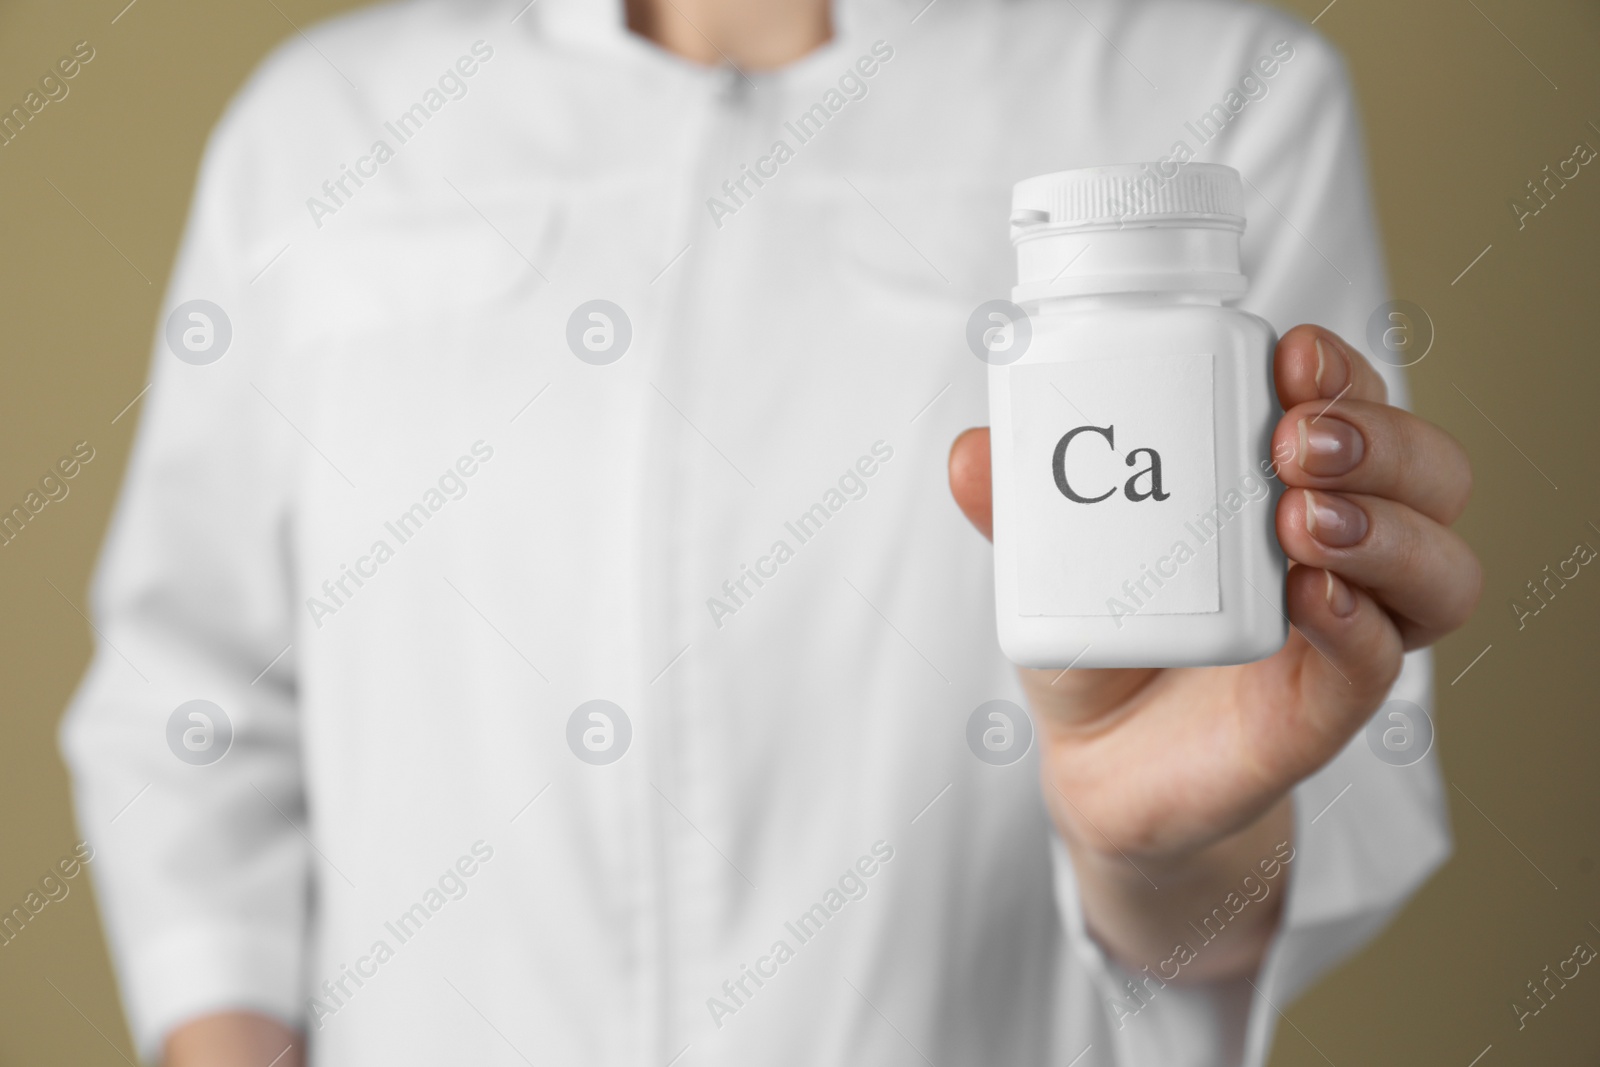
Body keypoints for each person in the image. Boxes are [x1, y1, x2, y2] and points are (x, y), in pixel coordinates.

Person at [60, 0, 1477, 1064]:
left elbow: (1291, 799)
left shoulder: (1211, 95)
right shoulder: (319, 129)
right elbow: (188, 703)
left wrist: (1156, 850)